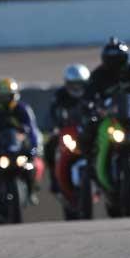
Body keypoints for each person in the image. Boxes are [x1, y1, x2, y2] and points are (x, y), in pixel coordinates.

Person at [0, 77, 44, 199]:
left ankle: (32, 190)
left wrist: (33, 151)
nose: (5, 100)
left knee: (36, 164)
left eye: (8, 96)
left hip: (20, 151)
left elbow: (33, 132)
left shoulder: (23, 110)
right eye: (2, 97)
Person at [44, 64, 91, 193]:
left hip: (88, 131)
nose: (76, 87)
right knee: (50, 146)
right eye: (73, 84)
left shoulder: (91, 94)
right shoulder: (60, 95)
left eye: (79, 84)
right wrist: (54, 128)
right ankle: (54, 179)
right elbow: (51, 114)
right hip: (67, 132)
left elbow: (99, 109)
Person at [84, 37, 130, 102]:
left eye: (117, 57)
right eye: (111, 58)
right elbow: (88, 95)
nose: (114, 61)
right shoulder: (98, 75)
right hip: (107, 110)